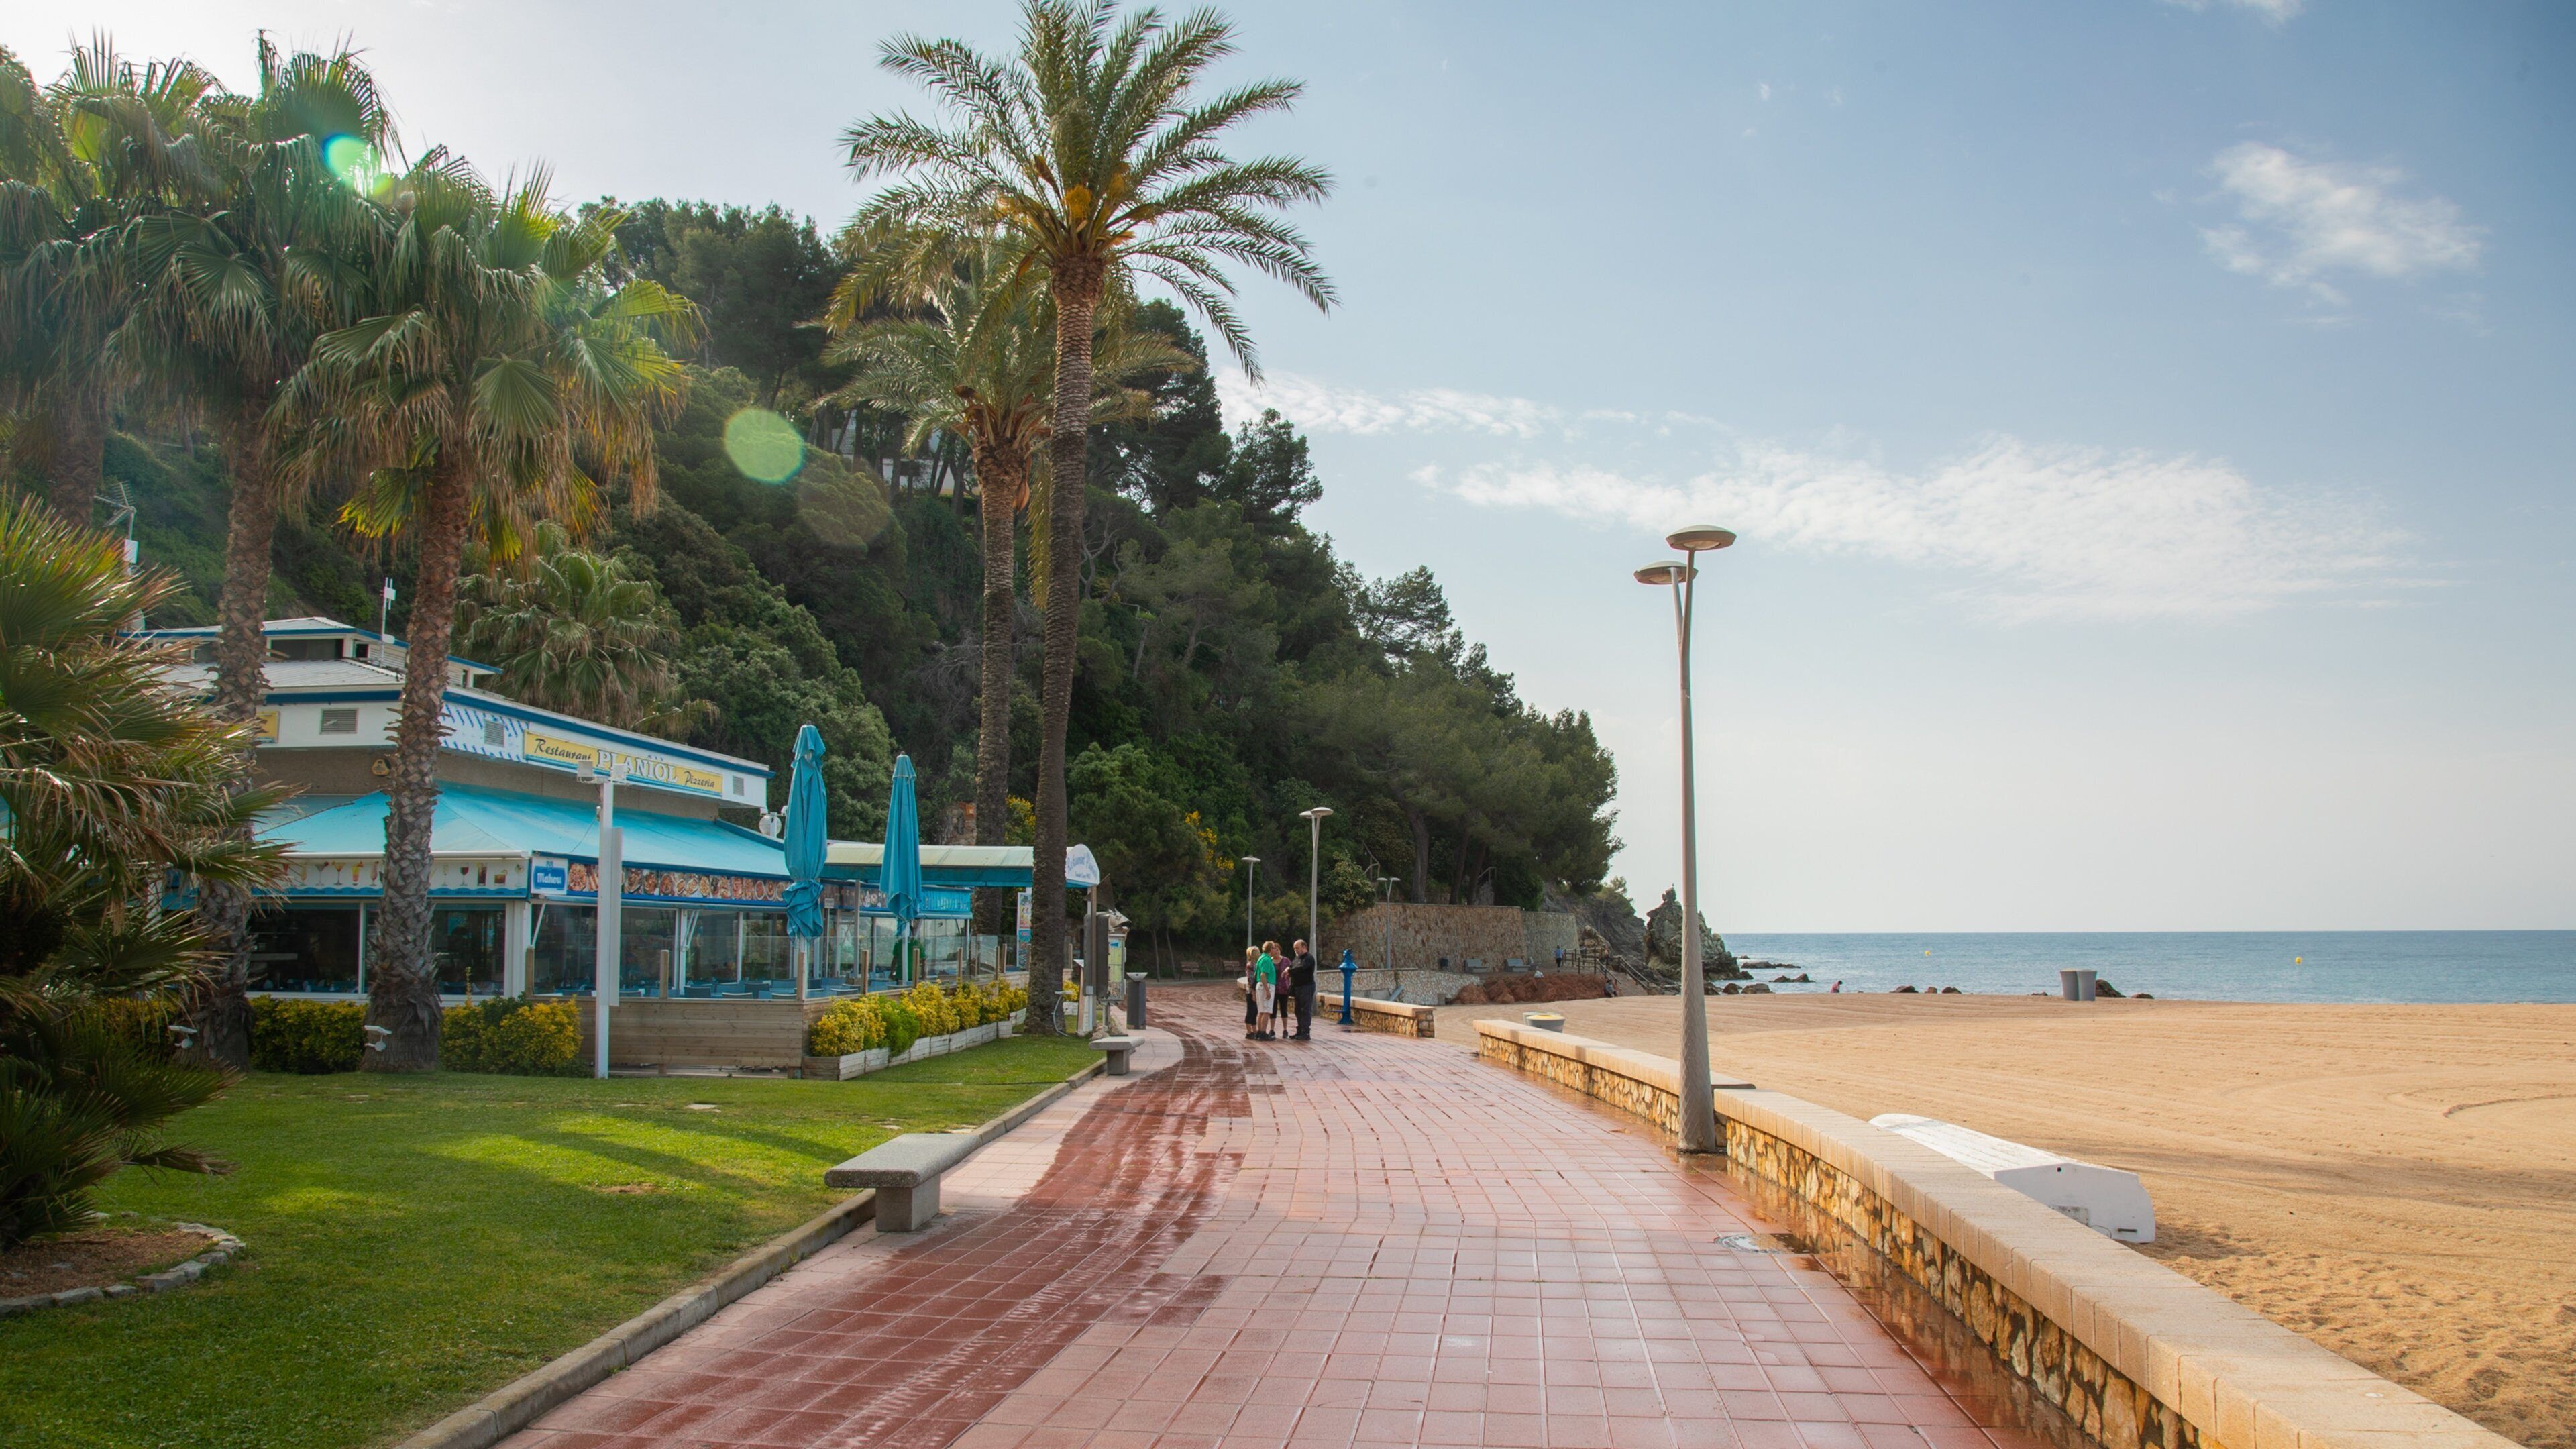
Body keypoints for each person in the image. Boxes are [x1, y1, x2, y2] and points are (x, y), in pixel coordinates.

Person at [1288, 938, 1318, 1040]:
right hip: (1297, 987)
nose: (1296, 950)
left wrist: (1289, 972)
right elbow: (1291, 966)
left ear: (1304, 947)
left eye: (1298, 948)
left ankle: (1306, 1032)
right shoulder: (1297, 958)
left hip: (1307, 987)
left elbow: (1300, 969)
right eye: (1295, 948)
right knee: (1298, 1010)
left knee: (1305, 1010)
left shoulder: (1308, 958)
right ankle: (1300, 1030)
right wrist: (1288, 969)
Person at [1251, 941, 1280, 1039]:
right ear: (1270, 949)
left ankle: (1260, 1032)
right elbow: (1263, 975)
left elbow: (1256, 974)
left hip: (1260, 986)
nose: (1275, 950)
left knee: (1261, 1011)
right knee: (1266, 1011)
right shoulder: (1267, 960)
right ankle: (1263, 1033)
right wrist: (1267, 990)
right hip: (1266, 985)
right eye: (1274, 948)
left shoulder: (1261, 958)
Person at [1242, 945, 1262, 1035]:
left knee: (1255, 1012)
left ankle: (1255, 1030)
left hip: (1256, 990)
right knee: (1251, 1011)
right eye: (1257, 952)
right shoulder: (1251, 965)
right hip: (1251, 992)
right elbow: (1251, 980)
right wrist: (1253, 993)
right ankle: (1249, 1032)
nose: (1259, 953)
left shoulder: (1258, 964)